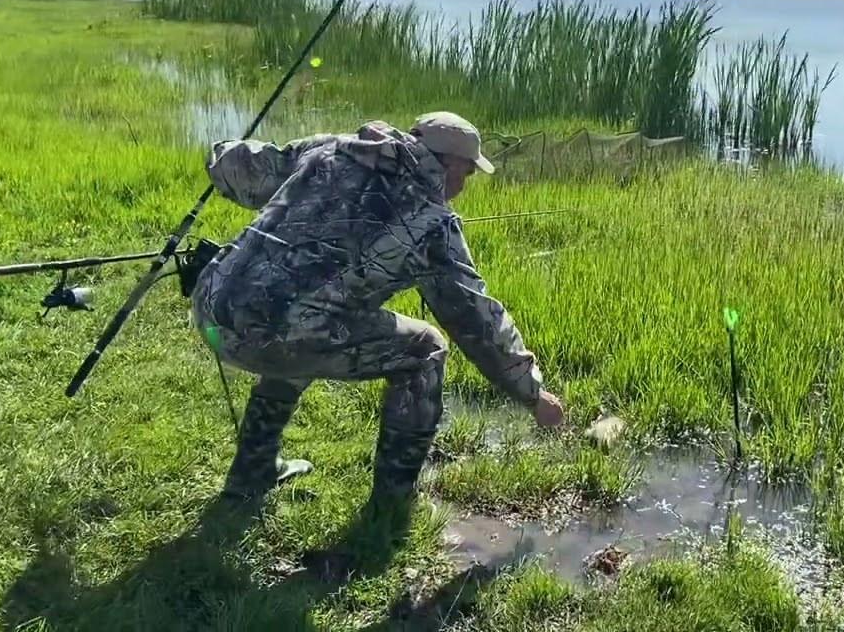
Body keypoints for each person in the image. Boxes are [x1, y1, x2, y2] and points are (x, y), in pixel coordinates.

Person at [189, 111, 565, 507]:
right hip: (269, 337)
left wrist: (221, 154)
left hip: (212, 305)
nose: (463, 184)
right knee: (426, 348)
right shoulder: (431, 221)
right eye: (467, 173)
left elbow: (243, 167)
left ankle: (254, 470)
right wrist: (532, 395)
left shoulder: (331, 149)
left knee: (302, 319)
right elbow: (474, 317)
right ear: (450, 162)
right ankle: (393, 503)